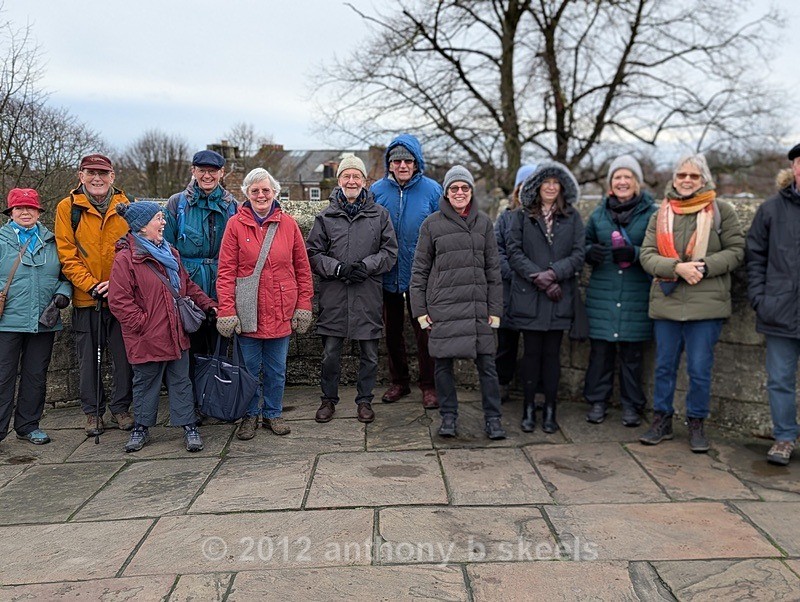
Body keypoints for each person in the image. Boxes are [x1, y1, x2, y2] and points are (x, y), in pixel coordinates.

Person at [639, 153, 744, 452]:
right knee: (664, 367)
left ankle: (696, 423)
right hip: (667, 303)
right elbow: (647, 255)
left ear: (704, 180)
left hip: (706, 304)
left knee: (699, 368)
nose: (687, 180)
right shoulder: (660, 214)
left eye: (694, 176)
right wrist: (676, 268)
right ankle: (662, 420)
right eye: (682, 175)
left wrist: (704, 265)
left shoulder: (721, 211)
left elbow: (737, 251)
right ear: (673, 179)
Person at [108, 202, 216, 453]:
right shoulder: (127, 259)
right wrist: (143, 325)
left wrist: (209, 305)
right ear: (142, 227)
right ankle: (141, 428)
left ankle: (189, 426)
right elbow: (119, 301)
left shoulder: (171, 253)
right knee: (145, 382)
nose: (164, 222)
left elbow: (187, 287)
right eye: (158, 218)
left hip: (175, 331)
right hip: (146, 336)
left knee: (181, 382)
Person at [215, 168, 313, 441]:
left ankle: (272, 413)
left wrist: (303, 304)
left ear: (275, 193)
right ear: (246, 193)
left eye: (266, 190)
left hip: (281, 307)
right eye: (255, 190)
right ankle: (249, 415)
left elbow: (302, 269)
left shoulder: (289, 224)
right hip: (249, 310)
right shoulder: (235, 225)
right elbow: (225, 272)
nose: (261, 195)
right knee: (248, 370)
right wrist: (226, 310)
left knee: (276, 369)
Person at [410, 165, 506, 440]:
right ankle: (448, 417)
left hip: (478, 308)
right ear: (446, 192)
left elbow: (493, 271)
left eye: (465, 188)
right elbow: (419, 272)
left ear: (471, 191)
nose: (460, 192)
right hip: (444, 309)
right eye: (454, 188)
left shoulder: (485, 223)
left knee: (487, 366)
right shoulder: (431, 224)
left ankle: (493, 418)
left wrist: (495, 311)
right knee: (442, 366)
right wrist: (421, 312)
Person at [306, 154, 398, 424]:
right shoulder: (325, 216)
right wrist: (338, 268)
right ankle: (328, 400)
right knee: (330, 354)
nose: (351, 180)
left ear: (364, 181)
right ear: (339, 180)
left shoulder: (380, 215)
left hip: (367, 293)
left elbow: (390, 252)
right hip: (335, 295)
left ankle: (365, 400)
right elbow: (313, 253)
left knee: (369, 354)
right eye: (346, 175)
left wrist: (366, 266)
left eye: (356, 176)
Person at [55, 153, 134, 436]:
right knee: (88, 359)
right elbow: (67, 254)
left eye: (102, 173)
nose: (97, 178)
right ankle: (93, 413)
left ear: (112, 177)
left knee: (125, 357)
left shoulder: (126, 206)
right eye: (91, 173)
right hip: (87, 298)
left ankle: (122, 407)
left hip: (122, 296)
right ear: (81, 176)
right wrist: (90, 284)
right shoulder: (68, 207)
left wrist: (116, 284)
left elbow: (134, 250)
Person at [506, 162, 585, 434]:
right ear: (537, 185)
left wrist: (553, 274)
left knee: (552, 357)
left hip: (558, 297)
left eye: (555, 182)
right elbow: (514, 252)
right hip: (530, 297)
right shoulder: (521, 216)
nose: (551, 187)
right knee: (531, 355)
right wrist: (537, 277)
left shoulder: (572, 217)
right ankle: (529, 408)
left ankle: (550, 409)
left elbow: (578, 254)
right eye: (545, 182)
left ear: (561, 186)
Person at [583, 155, 658, 427]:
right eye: (617, 177)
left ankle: (631, 404)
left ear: (636, 182)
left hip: (635, 294)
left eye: (628, 177)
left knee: (632, 356)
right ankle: (597, 401)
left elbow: (660, 250)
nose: (623, 181)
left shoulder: (652, 214)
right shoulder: (599, 214)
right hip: (603, 295)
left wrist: (635, 253)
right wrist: (592, 252)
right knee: (600, 354)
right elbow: (584, 245)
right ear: (610, 184)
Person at [371, 134, 441, 408]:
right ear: (389, 163)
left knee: (425, 331)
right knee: (392, 332)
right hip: (388, 274)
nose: (402, 165)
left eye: (407, 160)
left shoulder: (433, 190)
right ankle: (399, 381)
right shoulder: (377, 191)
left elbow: (442, 229)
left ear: (416, 163)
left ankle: (429, 385)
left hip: (421, 275)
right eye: (396, 160)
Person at [0, 189, 71, 445]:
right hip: (7, 322)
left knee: (35, 375)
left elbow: (66, 275)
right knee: (2, 377)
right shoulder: (1, 239)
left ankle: (28, 425)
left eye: (30, 208)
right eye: (19, 208)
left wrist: (63, 294)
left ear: (39, 211)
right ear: (11, 212)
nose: (25, 212)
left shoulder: (53, 241)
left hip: (44, 321)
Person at [746, 143, 800, 465]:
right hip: (779, 311)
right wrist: (760, 300)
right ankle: (784, 438)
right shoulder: (770, 210)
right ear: (794, 168)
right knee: (780, 380)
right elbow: (755, 258)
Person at [164, 150, 238, 379]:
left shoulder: (233, 206)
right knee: (191, 349)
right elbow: (166, 249)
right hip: (188, 287)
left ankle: (220, 399)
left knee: (223, 347)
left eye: (213, 171)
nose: (207, 176)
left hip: (223, 284)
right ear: (193, 171)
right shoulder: (177, 204)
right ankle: (194, 403)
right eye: (202, 170)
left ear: (221, 173)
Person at [495, 164, 537, 403]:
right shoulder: (505, 218)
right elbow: (495, 251)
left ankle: (536, 388)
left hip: (534, 291)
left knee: (535, 347)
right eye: (524, 187)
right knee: (506, 344)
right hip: (510, 290)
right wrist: (515, 273)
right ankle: (502, 382)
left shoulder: (544, 220)